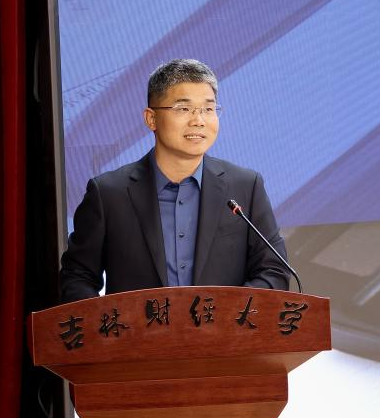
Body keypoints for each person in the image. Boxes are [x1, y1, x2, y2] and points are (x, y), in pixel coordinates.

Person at [59, 58, 290, 302]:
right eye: (183, 109)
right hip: (137, 328)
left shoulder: (245, 186)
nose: (198, 120)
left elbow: (274, 270)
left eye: (208, 109)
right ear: (151, 118)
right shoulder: (108, 193)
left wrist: (228, 315)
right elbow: (77, 277)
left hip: (224, 327)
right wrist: (110, 324)